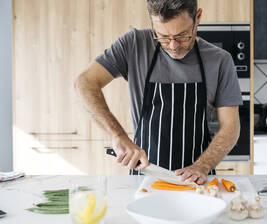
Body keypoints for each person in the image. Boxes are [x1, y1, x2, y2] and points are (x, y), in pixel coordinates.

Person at [74, 0, 242, 185]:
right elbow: (85, 83)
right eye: (162, 36)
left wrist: (202, 166)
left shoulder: (220, 60)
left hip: (197, 181)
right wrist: (117, 134)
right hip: (144, 179)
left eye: (182, 35)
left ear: (198, 17)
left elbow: (230, 127)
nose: (173, 46)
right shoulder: (134, 45)